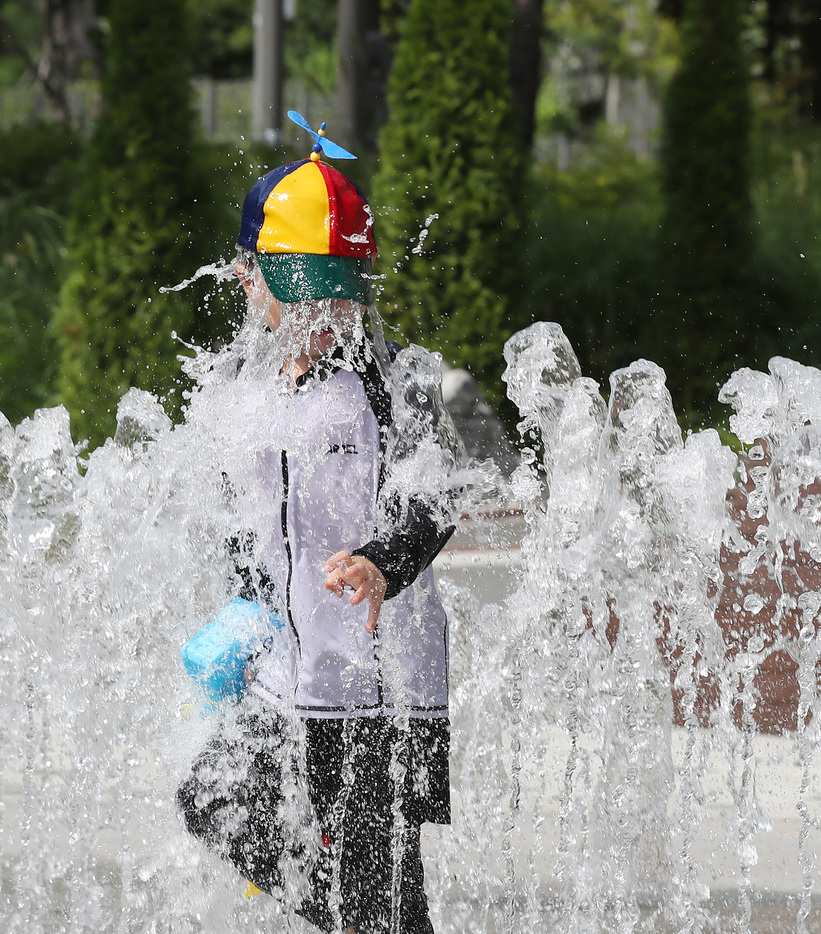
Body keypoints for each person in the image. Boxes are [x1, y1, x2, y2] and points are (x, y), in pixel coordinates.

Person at [177, 137, 459, 934]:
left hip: (375, 686)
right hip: (280, 672)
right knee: (213, 799)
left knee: (387, 895)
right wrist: (240, 607)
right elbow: (249, 519)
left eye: (335, 294)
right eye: (300, 292)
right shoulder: (241, 383)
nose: (322, 313)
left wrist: (380, 561)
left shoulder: (392, 379)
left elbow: (437, 499)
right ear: (248, 276)